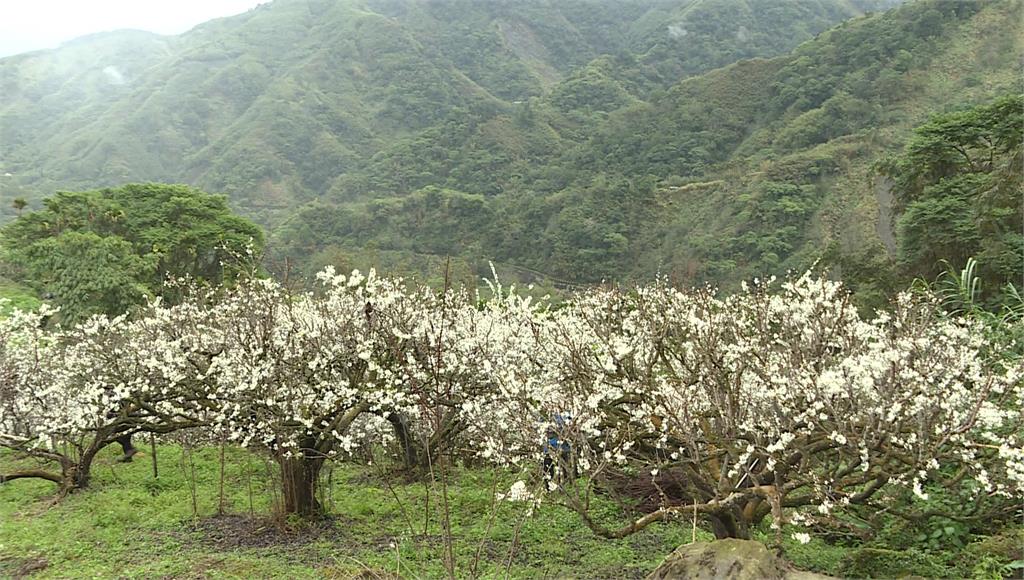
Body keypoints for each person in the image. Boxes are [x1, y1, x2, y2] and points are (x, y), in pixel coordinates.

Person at [542, 413, 575, 483]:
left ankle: (565, 485)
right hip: (549, 448)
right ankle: (548, 487)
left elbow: (570, 423)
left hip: (562, 447)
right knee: (547, 469)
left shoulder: (564, 415)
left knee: (563, 469)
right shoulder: (545, 416)